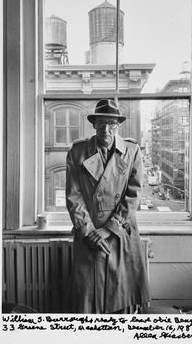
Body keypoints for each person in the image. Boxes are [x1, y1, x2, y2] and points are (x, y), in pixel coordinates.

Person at [65, 99, 151, 314]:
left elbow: (133, 194)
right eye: (101, 123)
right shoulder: (77, 152)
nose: (106, 129)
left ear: (118, 125)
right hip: (89, 234)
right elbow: (74, 197)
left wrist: (110, 228)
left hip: (120, 232)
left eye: (111, 123)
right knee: (88, 298)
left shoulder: (132, 151)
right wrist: (90, 232)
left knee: (121, 297)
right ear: (94, 125)